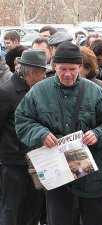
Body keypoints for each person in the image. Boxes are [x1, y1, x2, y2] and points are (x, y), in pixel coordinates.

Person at [15, 42, 102, 225]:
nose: (67, 74)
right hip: (57, 174)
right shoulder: (39, 91)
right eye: (62, 69)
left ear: (80, 67)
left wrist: (98, 134)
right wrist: (40, 133)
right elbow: (22, 121)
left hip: (91, 176)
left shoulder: (95, 92)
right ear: (54, 66)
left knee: (94, 219)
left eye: (72, 69)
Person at [0, 49, 47, 225]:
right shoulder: (6, 92)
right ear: (30, 72)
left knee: (33, 207)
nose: (44, 77)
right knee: (11, 209)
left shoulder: (39, 90)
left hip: (37, 161)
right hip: (13, 163)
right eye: (42, 73)